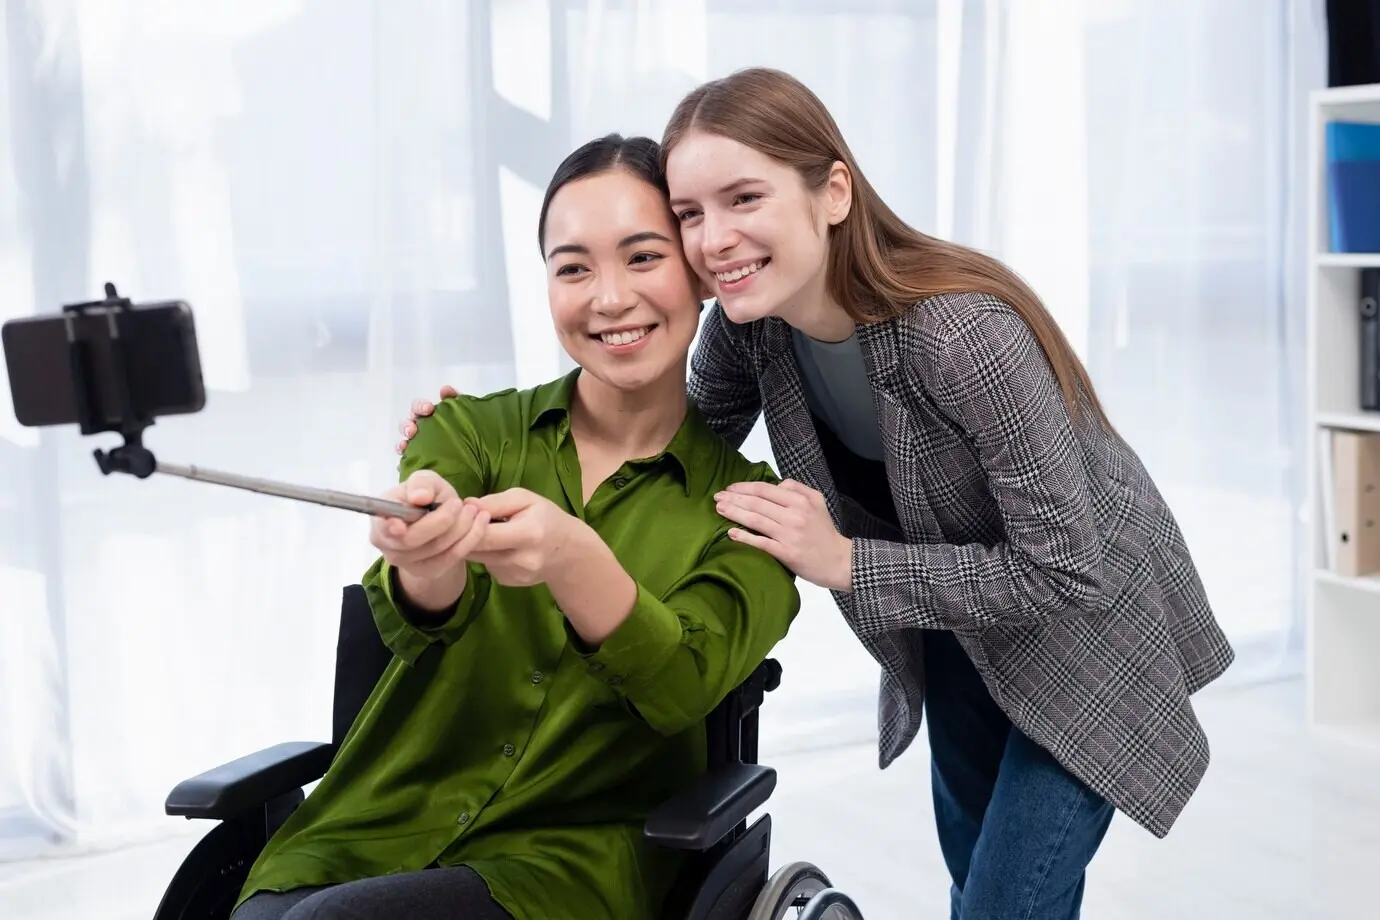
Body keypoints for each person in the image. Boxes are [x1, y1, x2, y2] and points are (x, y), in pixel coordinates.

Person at [397, 67, 1235, 920]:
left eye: (743, 199)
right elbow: (669, 448)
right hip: (956, 625)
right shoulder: (749, 330)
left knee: (1005, 904)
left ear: (833, 191)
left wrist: (842, 560)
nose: (713, 239)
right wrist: (494, 439)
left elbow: (1063, 571)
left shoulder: (964, 336)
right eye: (689, 214)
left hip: (1083, 629)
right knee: (972, 875)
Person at [232, 134, 799, 920]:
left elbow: (681, 689)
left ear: (699, 272)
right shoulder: (465, 433)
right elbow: (419, 610)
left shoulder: (752, 515)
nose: (608, 298)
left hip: (569, 871)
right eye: (573, 267)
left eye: (642, 257)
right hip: (376, 828)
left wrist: (572, 557)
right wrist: (424, 561)